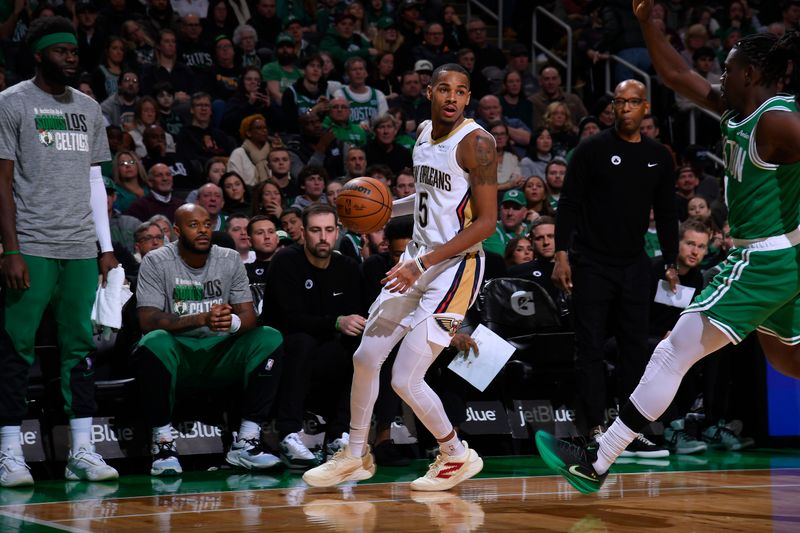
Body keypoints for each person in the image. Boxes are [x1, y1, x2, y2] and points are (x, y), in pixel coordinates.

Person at [537, 1, 800, 494]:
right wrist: (646, 23)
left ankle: (598, 459)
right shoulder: (740, 109)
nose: (720, 73)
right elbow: (677, 74)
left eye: (729, 67)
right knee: (790, 362)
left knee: (673, 350)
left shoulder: (778, 121)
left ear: (751, 73)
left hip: (763, 258)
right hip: (780, 259)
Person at [303, 63, 498, 491]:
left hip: (455, 269)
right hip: (417, 259)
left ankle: (455, 454)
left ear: (468, 98)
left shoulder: (478, 143)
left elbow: (486, 224)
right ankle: (354, 455)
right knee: (365, 357)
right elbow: (430, 199)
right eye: (443, 88)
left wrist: (422, 265)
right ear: (428, 91)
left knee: (405, 378)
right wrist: (389, 208)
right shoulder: (425, 132)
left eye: (461, 91)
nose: (451, 97)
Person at [0, 17, 120, 487]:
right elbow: (2, 182)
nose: (72, 57)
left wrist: (105, 248)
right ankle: (9, 453)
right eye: (62, 51)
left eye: (74, 51)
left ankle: (83, 452)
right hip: (29, 244)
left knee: (79, 348)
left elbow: (95, 180)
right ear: (39, 54)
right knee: (15, 347)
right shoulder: (11, 103)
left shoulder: (89, 108)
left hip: (79, 249)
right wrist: (10, 248)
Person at [549, 78, 679, 456]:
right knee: (588, 347)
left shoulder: (659, 155)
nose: (624, 109)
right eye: (619, 102)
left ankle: (630, 431)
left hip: (634, 263)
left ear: (646, 108)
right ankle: (594, 428)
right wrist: (561, 254)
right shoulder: (591, 149)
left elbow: (668, 212)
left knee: (635, 350)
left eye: (633, 102)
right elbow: (569, 203)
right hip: (591, 261)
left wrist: (670, 258)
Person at [134, 204, 284, 476]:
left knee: (269, 338)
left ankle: (246, 442)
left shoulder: (228, 258)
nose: (203, 230)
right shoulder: (156, 261)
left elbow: (249, 316)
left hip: (220, 353)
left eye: (206, 224)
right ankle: (164, 443)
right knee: (153, 341)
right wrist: (200, 318)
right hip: (179, 352)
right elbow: (147, 320)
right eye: (194, 225)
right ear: (177, 231)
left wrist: (232, 322)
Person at [261, 204, 366, 469]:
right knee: (302, 342)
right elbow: (288, 318)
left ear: (337, 232)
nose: (323, 237)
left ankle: (339, 436)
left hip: (328, 350)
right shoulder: (285, 262)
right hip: (284, 349)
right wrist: (336, 322)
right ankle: (288, 434)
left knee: (362, 351)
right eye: (316, 230)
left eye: (329, 230)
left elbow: (359, 316)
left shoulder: (349, 267)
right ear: (303, 233)